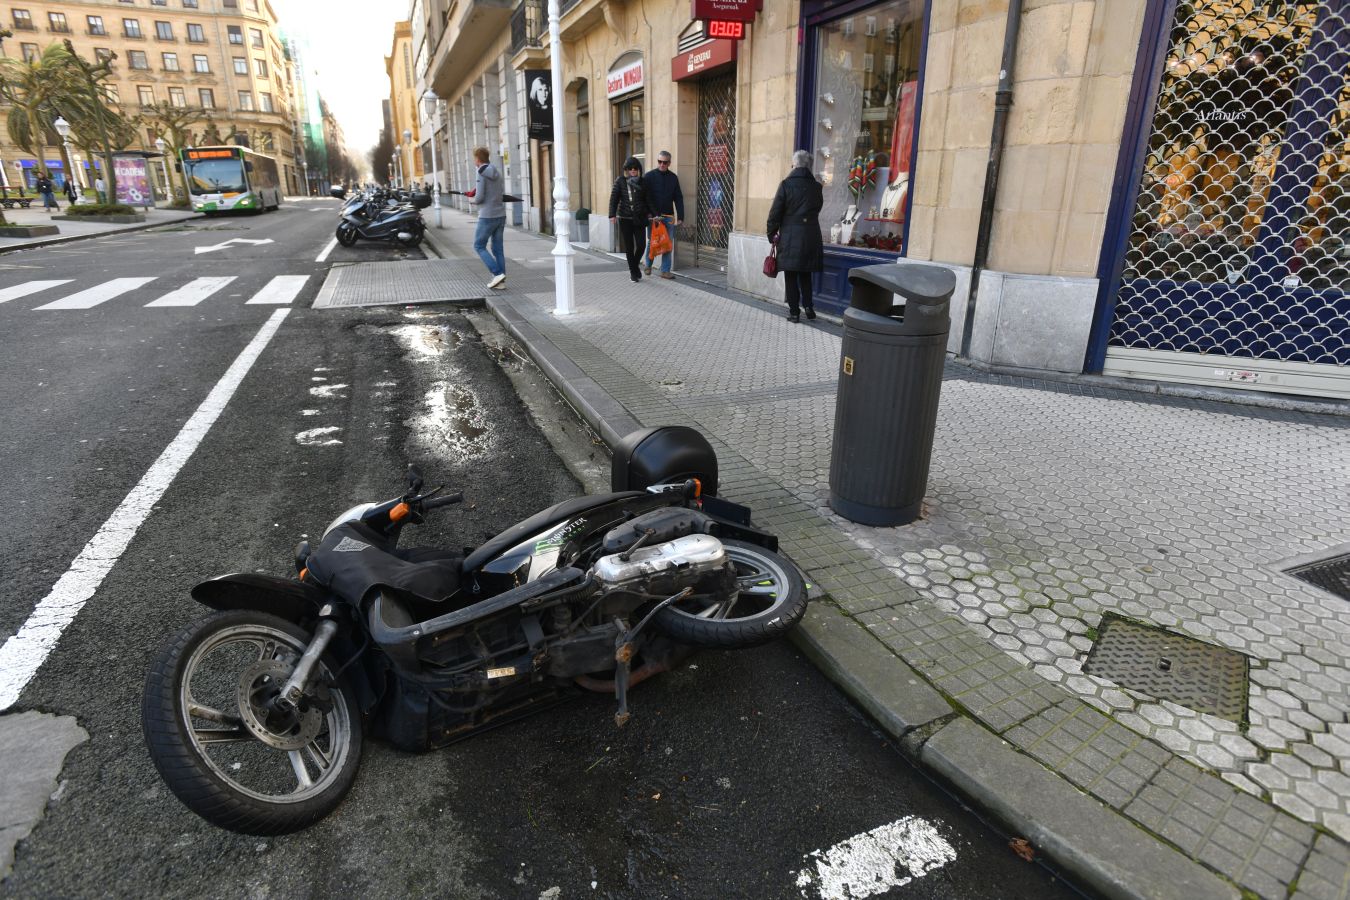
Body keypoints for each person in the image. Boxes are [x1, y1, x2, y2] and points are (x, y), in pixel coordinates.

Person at [766, 150, 824, 322]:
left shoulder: (786, 185)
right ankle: (808, 307)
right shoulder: (817, 187)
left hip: (791, 235)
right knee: (805, 273)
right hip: (811, 234)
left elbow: (775, 212)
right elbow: (817, 208)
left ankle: (794, 312)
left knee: (791, 274)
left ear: (794, 164)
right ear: (808, 166)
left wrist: (771, 233)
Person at [468, 146, 507, 289]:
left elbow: (479, 197)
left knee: (478, 245)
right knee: (498, 249)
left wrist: (471, 200)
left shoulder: (481, 172)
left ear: (478, 159)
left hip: (487, 216)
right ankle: (501, 282)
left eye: (474, 158)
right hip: (500, 214)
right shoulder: (496, 171)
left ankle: (497, 273)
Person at [641, 150, 684, 279]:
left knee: (668, 244)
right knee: (652, 242)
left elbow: (678, 198)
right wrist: (648, 214)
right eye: (660, 162)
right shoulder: (648, 177)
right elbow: (643, 198)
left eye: (665, 162)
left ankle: (665, 271)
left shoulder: (673, 178)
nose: (662, 165)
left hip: (669, 216)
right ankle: (648, 265)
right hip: (654, 217)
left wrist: (681, 216)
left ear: (669, 163)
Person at [609, 157, 649, 283]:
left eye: (635, 168)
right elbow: (614, 198)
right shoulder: (620, 181)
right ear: (626, 169)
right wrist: (612, 214)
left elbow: (648, 199)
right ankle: (633, 272)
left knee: (641, 245)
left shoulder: (643, 182)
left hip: (639, 218)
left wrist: (653, 213)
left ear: (639, 169)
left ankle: (634, 266)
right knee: (629, 247)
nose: (633, 170)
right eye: (630, 168)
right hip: (625, 219)